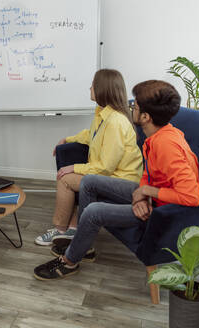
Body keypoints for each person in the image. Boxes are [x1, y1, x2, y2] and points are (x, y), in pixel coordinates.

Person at [33, 80, 199, 280]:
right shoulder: (158, 136)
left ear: (146, 117)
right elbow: (150, 173)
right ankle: (84, 246)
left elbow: (192, 197)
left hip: (161, 212)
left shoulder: (167, 145)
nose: (131, 109)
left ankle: (69, 262)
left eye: (135, 107)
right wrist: (141, 196)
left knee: (94, 212)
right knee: (90, 181)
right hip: (150, 199)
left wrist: (147, 193)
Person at [34, 69, 143, 246]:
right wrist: (68, 139)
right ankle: (72, 228)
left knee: (65, 179)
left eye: (93, 84)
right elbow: (90, 135)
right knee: (69, 176)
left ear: (102, 89)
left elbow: (105, 167)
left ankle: (61, 230)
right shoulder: (103, 114)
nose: (90, 87)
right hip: (110, 176)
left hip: (122, 182)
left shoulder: (115, 122)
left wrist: (73, 168)